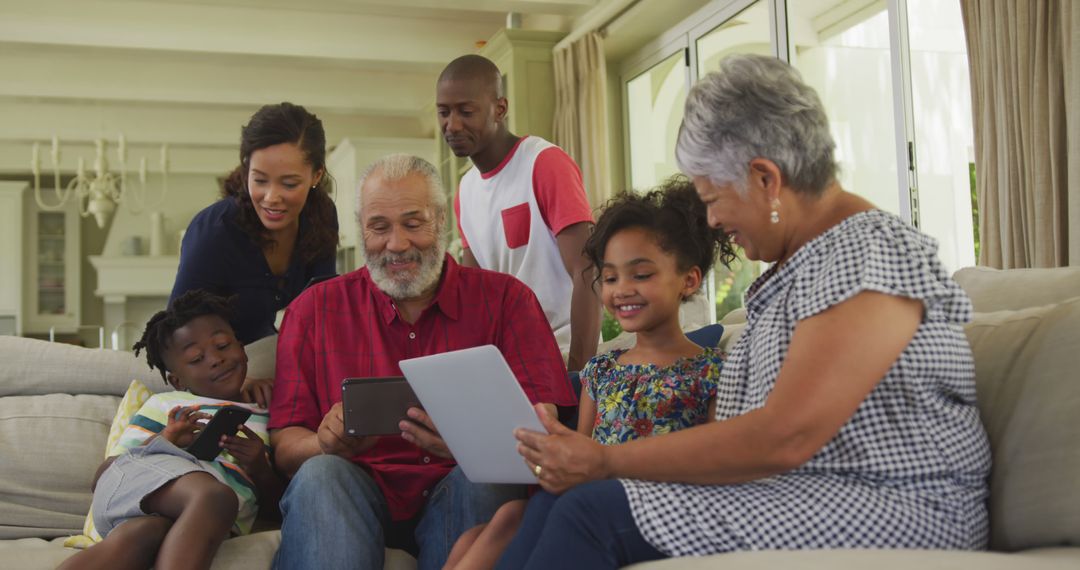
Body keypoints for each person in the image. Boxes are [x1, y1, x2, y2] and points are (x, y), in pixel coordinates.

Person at [496, 53, 992, 569]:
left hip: (894, 508)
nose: (711, 220)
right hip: (798, 493)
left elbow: (787, 434)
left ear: (765, 179)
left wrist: (605, 460)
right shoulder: (800, 265)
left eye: (713, 198)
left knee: (589, 513)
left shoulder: (868, 253)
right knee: (559, 499)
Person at [267, 154, 578, 570]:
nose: (396, 244)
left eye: (413, 223)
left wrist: (470, 445)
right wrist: (322, 444)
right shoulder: (312, 312)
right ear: (362, 230)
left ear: (441, 221)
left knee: (485, 480)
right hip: (356, 485)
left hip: (465, 486)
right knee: (321, 473)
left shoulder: (508, 300)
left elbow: (544, 425)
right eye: (379, 227)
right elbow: (286, 443)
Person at [443, 177, 732, 570]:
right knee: (502, 518)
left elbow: (720, 464)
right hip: (585, 496)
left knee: (529, 514)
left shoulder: (710, 370)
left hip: (657, 508)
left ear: (689, 280)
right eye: (610, 278)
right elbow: (579, 452)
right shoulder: (601, 371)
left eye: (641, 275)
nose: (621, 289)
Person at [58, 290, 284, 570]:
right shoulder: (166, 404)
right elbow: (107, 474)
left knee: (145, 534)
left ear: (241, 346)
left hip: (198, 521)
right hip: (136, 492)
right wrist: (167, 442)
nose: (215, 359)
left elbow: (281, 508)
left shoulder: (266, 412)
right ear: (178, 380)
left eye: (223, 345)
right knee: (214, 496)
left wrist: (259, 466)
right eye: (196, 359)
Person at [436, 54, 600, 371]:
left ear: (500, 108)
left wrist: (580, 373)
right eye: (444, 113)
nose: (452, 125)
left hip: (561, 352)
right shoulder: (465, 191)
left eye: (466, 112)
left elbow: (587, 270)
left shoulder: (544, 163)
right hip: (506, 362)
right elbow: (475, 295)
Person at [171, 102, 339, 407]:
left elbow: (323, 304)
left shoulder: (322, 216)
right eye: (259, 180)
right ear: (246, 168)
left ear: (316, 174)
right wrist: (237, 376)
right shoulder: (215, 231)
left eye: (289, 183)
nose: (271, 197)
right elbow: (178, 327)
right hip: (211, 366)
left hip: (266, 354)